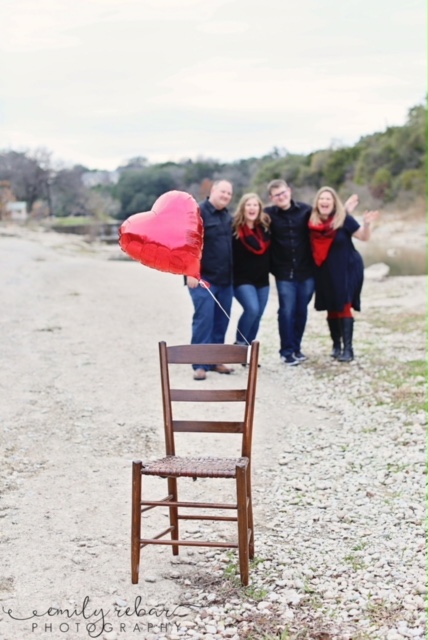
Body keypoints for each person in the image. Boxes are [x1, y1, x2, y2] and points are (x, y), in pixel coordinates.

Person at [308, 186, 379, 362]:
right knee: (332, 307)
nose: (324, 202)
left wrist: (367, 223)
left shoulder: (343, 219)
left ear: (334, 202)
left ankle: (348, 349)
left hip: (347, 267)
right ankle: (336, 346)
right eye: (321, 199)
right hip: (325, 270)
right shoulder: (311, 222)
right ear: (317, 203)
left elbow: (364, 237)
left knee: (344, 305)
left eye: (328, 199)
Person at [264, 179, 316, 366]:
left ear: (290, 191)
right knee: (287, 311)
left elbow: (325, 224)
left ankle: (296, 348)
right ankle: (286, 351)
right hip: (284, 272)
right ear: (272, 198)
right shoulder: (268, 215)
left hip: (307, 270)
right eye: (277, 195)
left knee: (301, 310)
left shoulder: (306, 210)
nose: (281, 197)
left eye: (283, 193)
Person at [187, 179, 234, 381]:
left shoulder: (227, 216)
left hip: (225, 279)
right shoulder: (197, 212)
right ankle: (199, 364)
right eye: (223, 191)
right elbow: (188, 243)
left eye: (229, 194)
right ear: (213, 190)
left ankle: (215, 360)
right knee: (204, 319)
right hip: (202, 278)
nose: (225, 196)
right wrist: (190, 271)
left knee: (221, 321)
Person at [232, 193, 271, 349]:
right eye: (249, 205)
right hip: (241, 279)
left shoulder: (265, 229)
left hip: (262, 279)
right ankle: (239, 345)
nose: (252, 208)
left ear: (260, 208)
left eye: (255, 205)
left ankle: (249, 352)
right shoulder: (234, 229)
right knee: (252, 309)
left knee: (258, 314)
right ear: (243, 208)